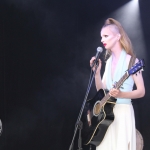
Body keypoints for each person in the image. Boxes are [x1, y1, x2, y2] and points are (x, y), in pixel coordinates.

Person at [90, 18, 145, 150]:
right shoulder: (108, 62)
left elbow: (141, 91)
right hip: (106, 116)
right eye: (101, 37)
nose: (102, 40)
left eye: (106, 36)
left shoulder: (131, 61)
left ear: (118, 36)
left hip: (122, 113)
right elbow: (101, 91)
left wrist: (121, 94)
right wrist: (97, 73)